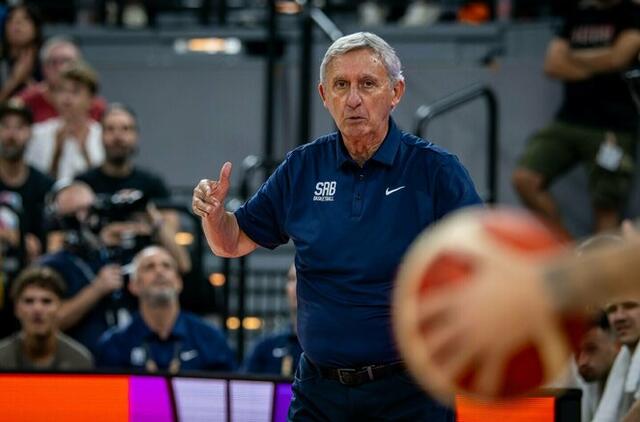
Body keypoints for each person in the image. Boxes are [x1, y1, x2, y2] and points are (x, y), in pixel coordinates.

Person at [192, 32, 482, 420]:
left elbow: (483, 261)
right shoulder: (302, 167)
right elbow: (231, 242)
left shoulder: (435, 171)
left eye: (367, 84)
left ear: (395, 92)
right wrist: (214, 216)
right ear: (324, 95)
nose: (353, 99)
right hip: (320, 393)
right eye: (341, 85)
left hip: (410, 393)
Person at [512, 0, 640, 236]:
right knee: (525, 178)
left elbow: (618, 59)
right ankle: (566, 251)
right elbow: (552, 64)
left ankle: (600, 260)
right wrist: (601, 64)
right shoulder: (579, 12)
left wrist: (574, 56)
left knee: (606, 207)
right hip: (569, 119)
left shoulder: (632, 13)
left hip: (613, 126)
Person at [75, 103, 190, 273]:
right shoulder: (83, 184)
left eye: (125, 129)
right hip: (96, 270)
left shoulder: (152, 183)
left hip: (145, 270)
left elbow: (180, 259)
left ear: (136, 136)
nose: (118, 136)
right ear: (100, 135)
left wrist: (150, 218)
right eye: (110, 129)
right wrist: (101, 237)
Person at [96, 246, 235, 373]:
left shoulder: (210, 338)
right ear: (134, 286)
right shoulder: (115, 343)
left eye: (167, 266)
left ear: (179, 283)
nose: (159, 271)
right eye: (149, 267)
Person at [0, 265, 93, 370]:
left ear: (60, 307)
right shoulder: (2, 357)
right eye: (29, 301)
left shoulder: (80, 361)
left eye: (46, 301)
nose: (37, 309)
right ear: (16, 308)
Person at [25, 60, 104, 180]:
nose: (67, 98)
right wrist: (57, 152)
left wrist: (84, 151)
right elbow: (36, 184)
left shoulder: (102, 135)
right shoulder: (37, 134)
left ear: (91, 99)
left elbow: (103, 183)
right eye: (61, 90)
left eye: (75, 92)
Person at [0, 99, 53, 263]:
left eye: (19, 127)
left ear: (30, 133)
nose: (11, 135)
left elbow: (51, 239)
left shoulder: (44, 185)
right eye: (5, 126)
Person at [17, 36, 107, 123]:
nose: (60, 68)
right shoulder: (26, 100)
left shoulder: (96, 106)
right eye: (53, 62)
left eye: (66, 61)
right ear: (43, 68)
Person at [244, 264, 303, 376]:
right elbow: (244, 385)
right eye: (292, 279)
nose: (297, 286)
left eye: (303, 279)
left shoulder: (327, 348)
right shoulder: (265, 347)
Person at [574, 311, 619, 421]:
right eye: (577, 353)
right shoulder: (586, 383)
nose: (582, 362)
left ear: (617, 345)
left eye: (591, 349)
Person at [0, 4, 43, 103]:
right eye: (11, 19)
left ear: (36, 27)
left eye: (25, 18)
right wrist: (14, 81)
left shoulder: (47, 59)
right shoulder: (2, 60)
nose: (17, 23)